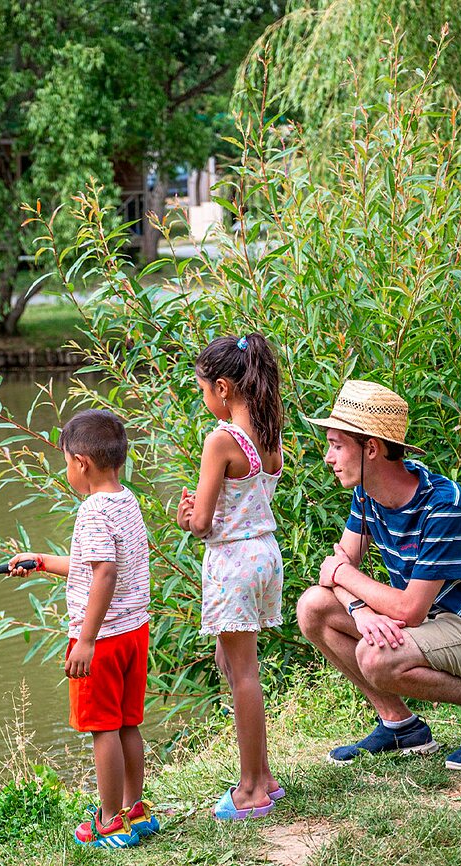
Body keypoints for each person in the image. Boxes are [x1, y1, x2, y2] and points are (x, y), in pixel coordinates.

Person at [298, 380, 461, 770]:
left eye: (337, 445)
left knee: (375, 658)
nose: (328, 457)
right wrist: (359, 609)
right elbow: (334, 575)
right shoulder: (367, 494)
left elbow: (406, 610)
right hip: (438, 624)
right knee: (312, 607)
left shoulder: (443, 506)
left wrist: (343, 574)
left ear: (370, 449)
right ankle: (400, 725)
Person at [9, 409, 156, 848]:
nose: (66, 470)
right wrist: (43, 562)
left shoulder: (92, 510)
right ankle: (134, 810)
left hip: (104, 639)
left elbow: (106, 573)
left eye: (65, 461)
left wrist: (86, 640)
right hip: (134, 633)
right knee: (128, 723)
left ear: (82, 464)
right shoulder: (125, 501)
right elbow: (100, 567)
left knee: (103, 729)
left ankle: (109, 820)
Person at [176, 334, 287, 820]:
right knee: (231, 657)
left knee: (243, 672)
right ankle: (261, 774)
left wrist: (184, 516)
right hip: (264, 554)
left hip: (232, 562)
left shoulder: (221, 439)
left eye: (203, 389)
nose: (204, 399)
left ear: (223, 388)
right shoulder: (269, 434)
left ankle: (252, 787)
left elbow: (201, 523)